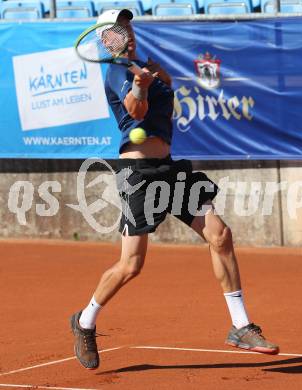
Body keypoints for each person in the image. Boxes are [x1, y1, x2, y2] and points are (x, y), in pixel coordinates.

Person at [70, 9, 279, 370]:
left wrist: (157, 76)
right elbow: (136, 112)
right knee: (131, 265)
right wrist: (141, 86)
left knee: (220, 234)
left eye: (129, 26)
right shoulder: (117, 71)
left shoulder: (145, 65)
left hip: (170, 169)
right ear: (106, 40)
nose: (127, 32)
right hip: (139, 174)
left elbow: (165, 102)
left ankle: (241, 325)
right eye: (118, 29)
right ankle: (85, 320)